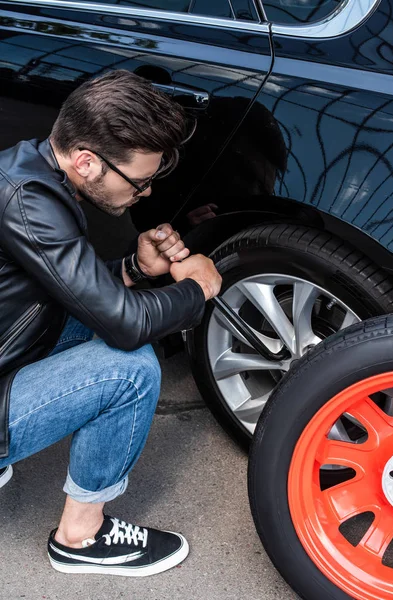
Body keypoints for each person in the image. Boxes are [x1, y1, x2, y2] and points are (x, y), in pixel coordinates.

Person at [0, 70, 222, 577]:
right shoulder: (27, 203)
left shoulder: (28, 172)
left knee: (108, 330)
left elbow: (60, 288)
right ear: (86, 161)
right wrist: (198, 287)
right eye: (140, 181)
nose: (145, 194)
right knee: (131, 367)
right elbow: (124, 326)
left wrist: (135, 269)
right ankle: (79, 538)